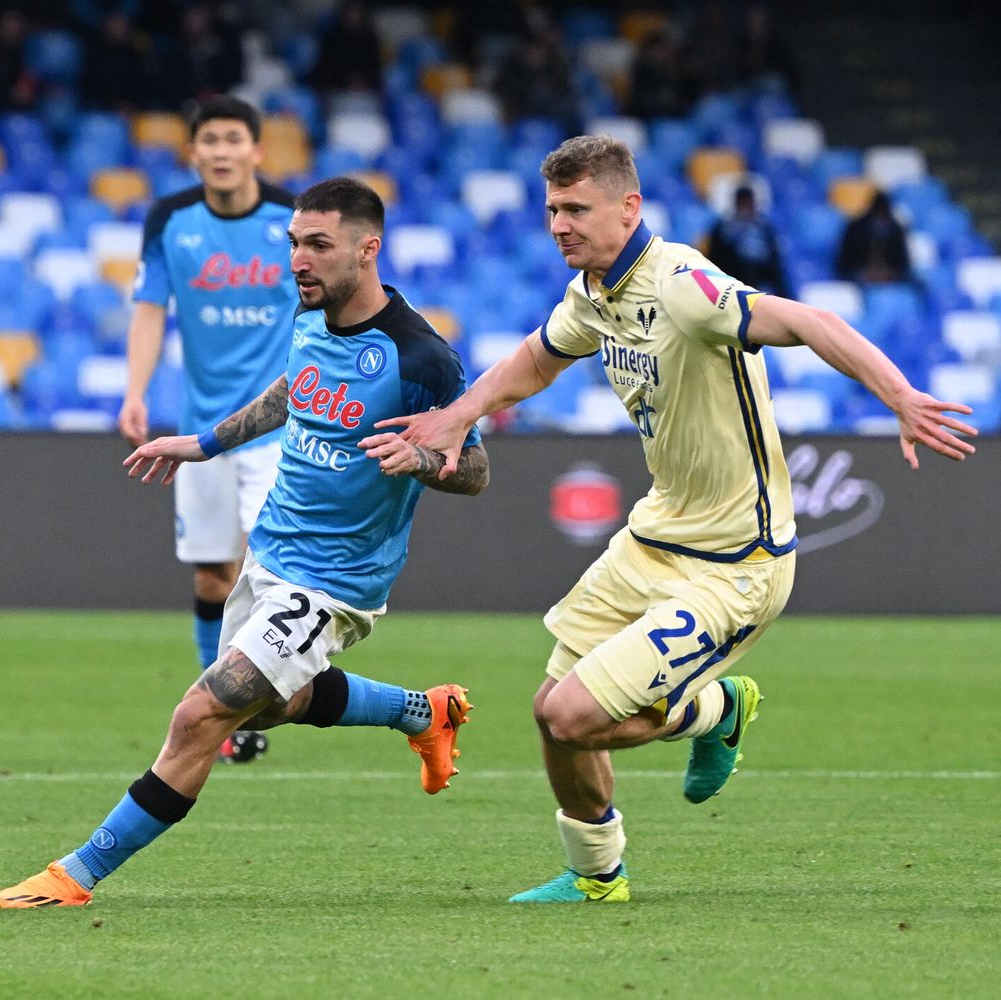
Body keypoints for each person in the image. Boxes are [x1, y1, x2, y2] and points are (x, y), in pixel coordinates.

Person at [383, 135, 976, 904]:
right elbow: (535, 358)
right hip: (653, 538)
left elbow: (808, 321)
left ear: (629, 207)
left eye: (576, 209)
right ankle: (598, 876)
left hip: (737, 566)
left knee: (570, 715)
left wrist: (899, 396)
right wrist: (459, 416)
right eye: (553, 210)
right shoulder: (594, 293)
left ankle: (717, 710)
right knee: (550, 713)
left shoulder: (687, 285)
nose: (559, 225)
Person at [0, 177, 491, 909]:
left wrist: (421, 457)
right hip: (273, 554)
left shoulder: (419, 359)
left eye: (318, 245)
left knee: (202, 714)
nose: (298, 260)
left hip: (335, 581)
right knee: (266, 705)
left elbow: (474, 470)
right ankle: (425, 711)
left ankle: (74, 876)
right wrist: (204, 443)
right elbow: (293, 391)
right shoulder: (311, 312)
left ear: (367, 249)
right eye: (293, 244)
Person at [117, 95, 299, 763]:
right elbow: (147, 309)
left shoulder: (291, 219)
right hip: (199, 432)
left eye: (233, 139)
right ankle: (218, 699)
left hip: (277, 428)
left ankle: (237, 708)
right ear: (193, 153)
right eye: (209, 141)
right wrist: (135, 391)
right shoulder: (171, 220)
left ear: (256, 149)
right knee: (211, 579)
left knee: (263, 569)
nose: (221, 151)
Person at [707, 185, 786, 296]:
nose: (746, 208)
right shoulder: (723, 228)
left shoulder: (763, 226)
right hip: (733, 282)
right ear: (736, 204)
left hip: (762, 280)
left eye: (749, 203)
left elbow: (774, 262)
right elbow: (715, 259)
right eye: (742, 203)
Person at [835, 190, 912, 285]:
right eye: (878, 214)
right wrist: (867, 272)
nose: (880, 219)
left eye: (882, 214)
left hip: (890, 277)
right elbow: (845, 261)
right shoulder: (855, 229)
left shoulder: (896, 230)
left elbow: (902, 262)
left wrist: (889, 273)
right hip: (859, 275)